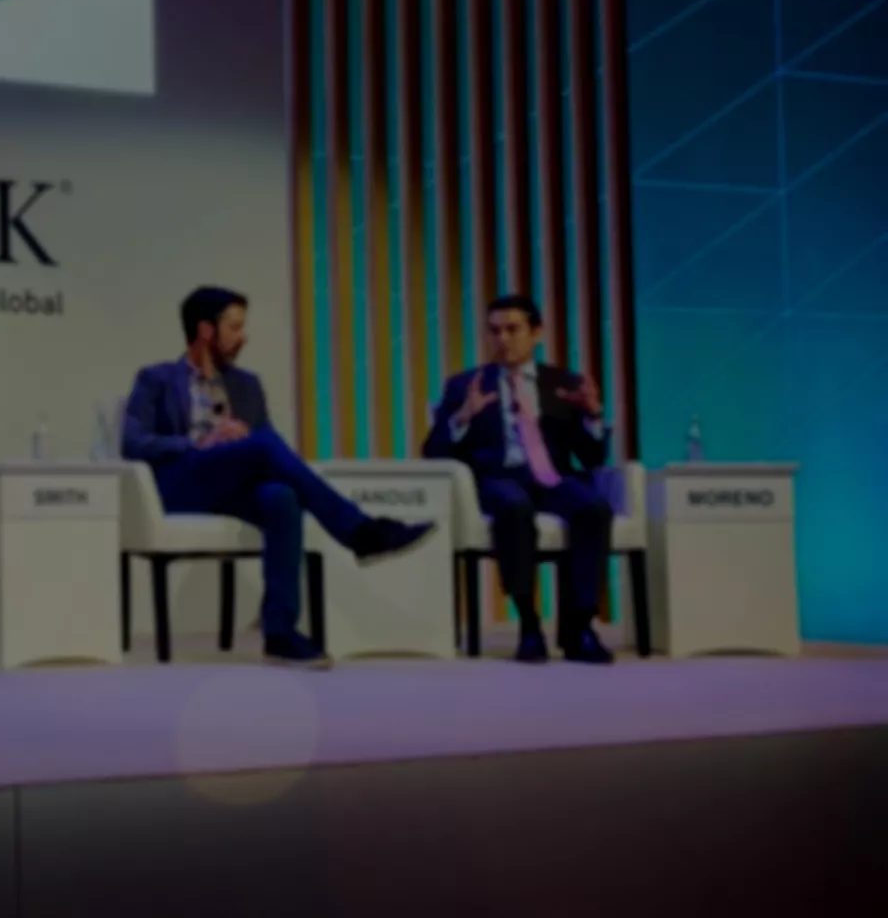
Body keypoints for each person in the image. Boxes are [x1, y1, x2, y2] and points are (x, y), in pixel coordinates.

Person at [122, 286, 434, 669]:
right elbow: (132, 442)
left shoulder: (246, 384)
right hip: (181, 484)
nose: (243, 337)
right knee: (263, 445)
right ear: (205, 330)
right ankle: (359, 531)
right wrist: (200, 441)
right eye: (234, 327)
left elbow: (267, 451)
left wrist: (242, 441)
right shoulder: (156, 378)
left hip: (233, 485)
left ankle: (280, 632)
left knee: (281, 497)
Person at [423, 293, 615, 665]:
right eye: (494, 331)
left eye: (513, 329)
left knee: (593, 507)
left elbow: (592, 458)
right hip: (498, 478)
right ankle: (528, 624)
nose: (503, 339)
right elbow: (432, 453)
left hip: (553, 478)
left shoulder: (562, 383)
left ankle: (581, 627)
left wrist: (593, 415)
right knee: (514, 506)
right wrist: (462, 418)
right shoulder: (464, 385)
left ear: (536, 333)